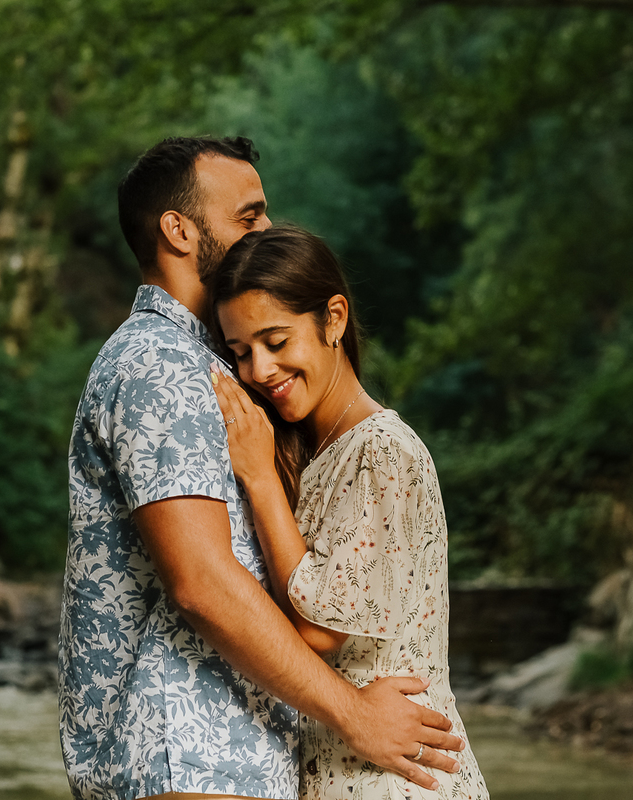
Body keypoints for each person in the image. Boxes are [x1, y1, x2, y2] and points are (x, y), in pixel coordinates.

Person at [59, 137, 465, 800]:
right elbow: (202, 583)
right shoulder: (161, 366)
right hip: (187, 749)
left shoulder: (214, 366)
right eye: (248, 216)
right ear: (179, 231)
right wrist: (354, 714)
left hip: (233, 751)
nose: (267, 228)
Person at [208, 225, 491, 800]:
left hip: (396, 776)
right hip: (352, 765)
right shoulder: (320, 450)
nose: (259, 370)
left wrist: (259, 478)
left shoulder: (381, 450)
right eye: (240, 353)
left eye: (276, 341)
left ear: (333, 319)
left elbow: (319, 630)